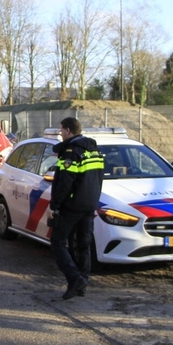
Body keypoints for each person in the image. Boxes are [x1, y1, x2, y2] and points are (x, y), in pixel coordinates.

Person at [48, 117, 104, 299]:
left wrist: (55, 205)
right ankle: (82, 282)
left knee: (57, 242)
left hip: (72, 205)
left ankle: (75, 279)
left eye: (62, 130)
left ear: (69, 130)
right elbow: (98, 179)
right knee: (83, 244)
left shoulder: (71, 151)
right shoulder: (94, 150)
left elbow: (65, 182)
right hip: (89, 204)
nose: (60, 133)